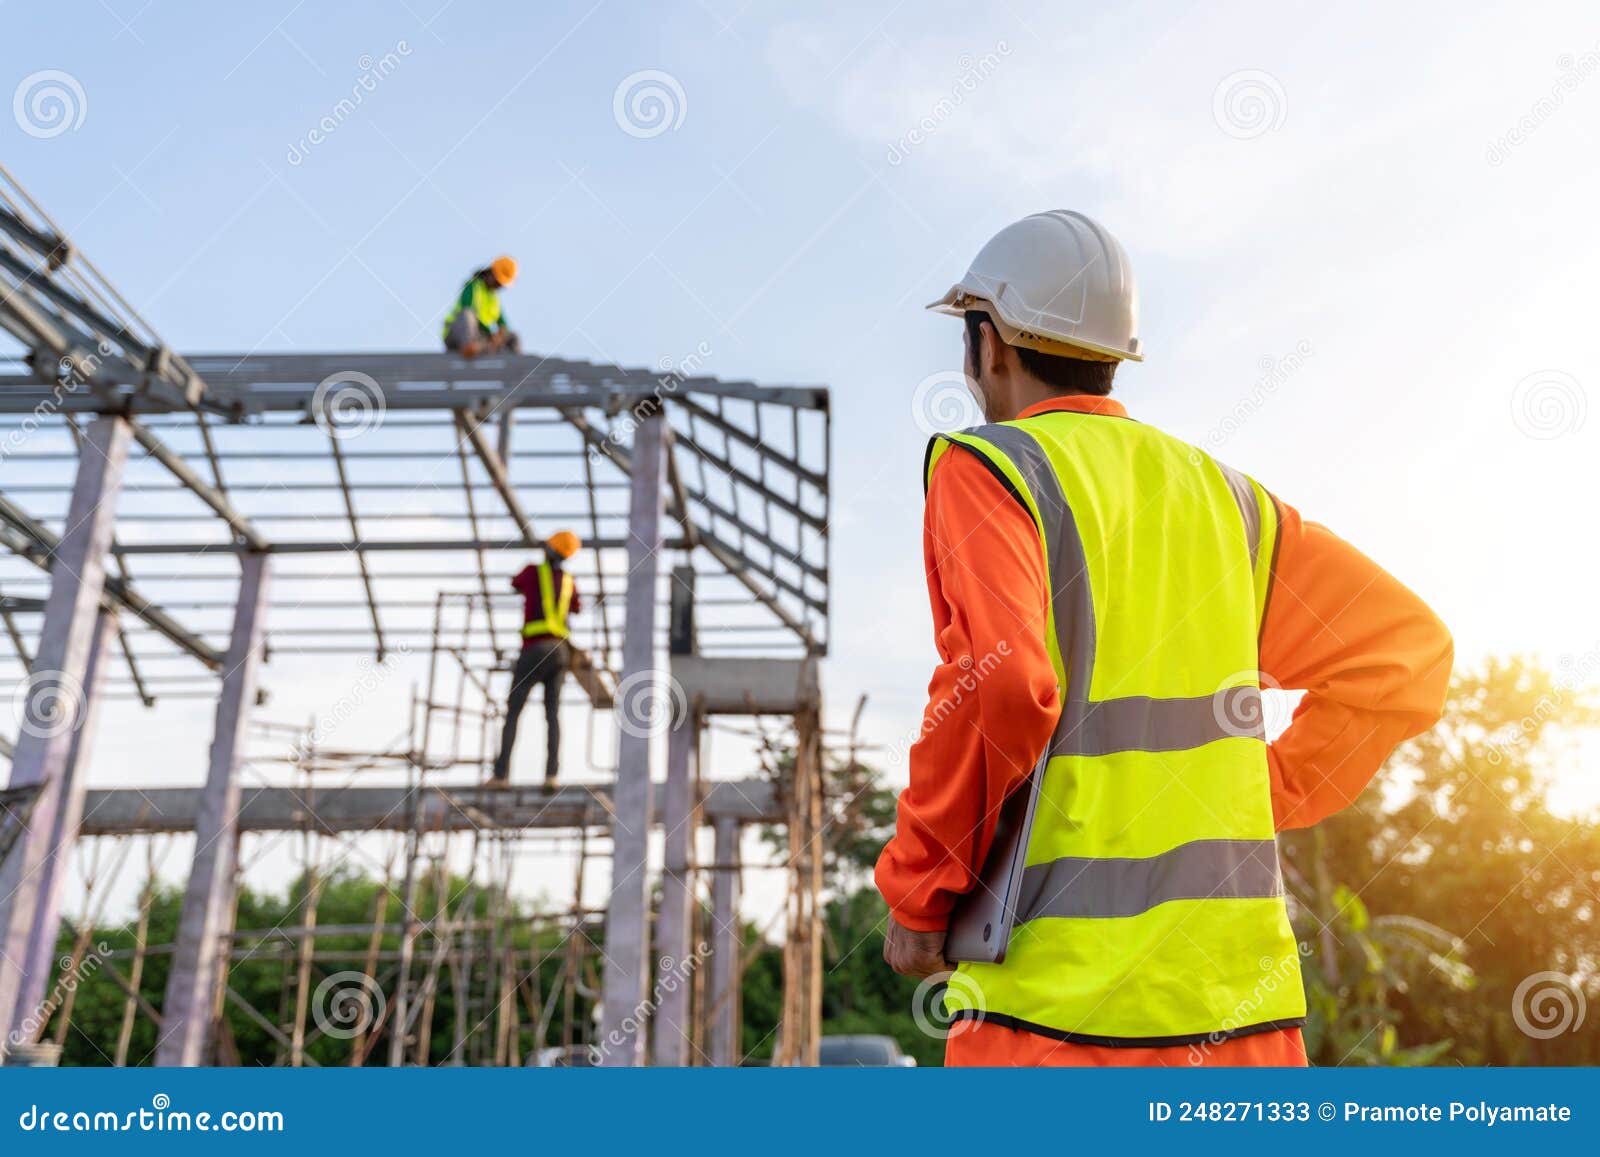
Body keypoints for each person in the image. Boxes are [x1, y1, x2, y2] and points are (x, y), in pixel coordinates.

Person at [875, 210, 1453, 1067]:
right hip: (1242, 1030)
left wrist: (921, 892)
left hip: (1047, 1025)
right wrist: (1262, 793)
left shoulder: (992, 469)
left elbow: (1002, 685)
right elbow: (1408, 653)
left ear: (988, 341)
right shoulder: (1227, 501)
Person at [491, 530, 583, 786]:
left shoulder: (532, 571)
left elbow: (515, 584)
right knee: (552, 713)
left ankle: (501, 775)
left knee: (514, 710)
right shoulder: (568, 581)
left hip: (535, 648)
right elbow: (577, 606)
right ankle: (551, 775)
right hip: (560, 652)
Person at [443, 256, 521, 357]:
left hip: (481, 338)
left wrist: (500, 334)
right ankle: (470, 348)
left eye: (501, 285)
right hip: (457, 334)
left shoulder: (494, 298)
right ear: (491, 273)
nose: (498, 286)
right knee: (467, 314)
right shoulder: (472, 286)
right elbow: (466, 308)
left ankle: (514, 363)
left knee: (513, 337)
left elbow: (503, 323)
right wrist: (490, 333)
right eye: (498, 282)